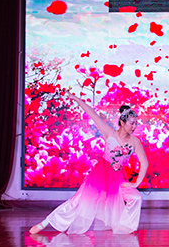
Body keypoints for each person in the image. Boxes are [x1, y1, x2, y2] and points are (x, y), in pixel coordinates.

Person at [29, 94, 148, 235]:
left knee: (136, 197)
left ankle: (125, 227)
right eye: (131, 123)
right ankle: (44, 223)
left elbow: (144, 163)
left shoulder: (134, 142)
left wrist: (136, 183)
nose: (134, 126)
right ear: (122, 122)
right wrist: (77, 100)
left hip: (117, 180)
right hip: (99, 176)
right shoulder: (110, 133)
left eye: (136, 123)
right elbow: (92, 114)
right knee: (77, 201)